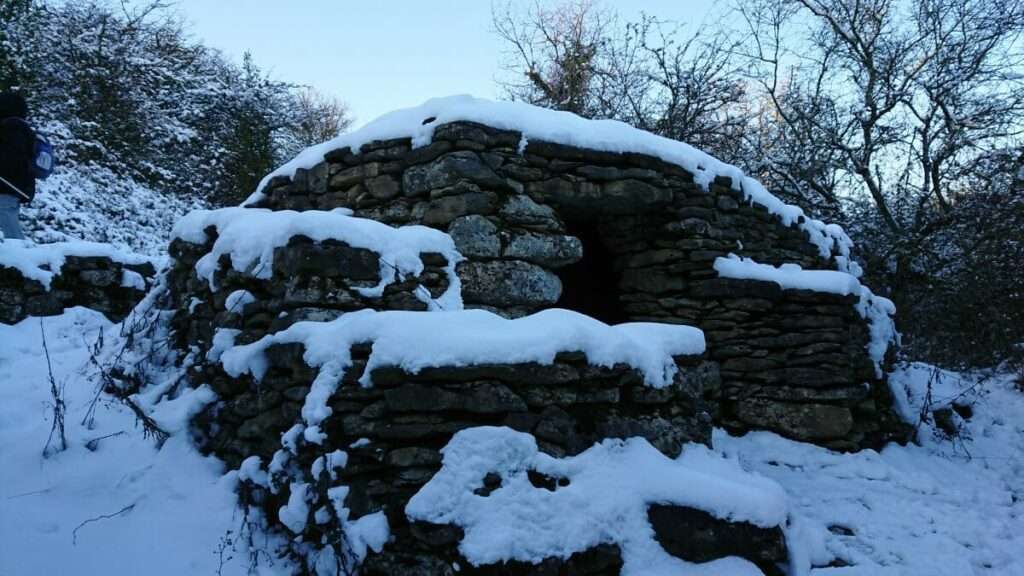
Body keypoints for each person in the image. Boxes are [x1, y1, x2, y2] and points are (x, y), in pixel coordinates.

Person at [0, 92, 36, 240]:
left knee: (11, 232)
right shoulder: (17, 127)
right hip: (11, 185)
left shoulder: (13, 127)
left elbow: (12, 157)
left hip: (7, 186)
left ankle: (23, 254)